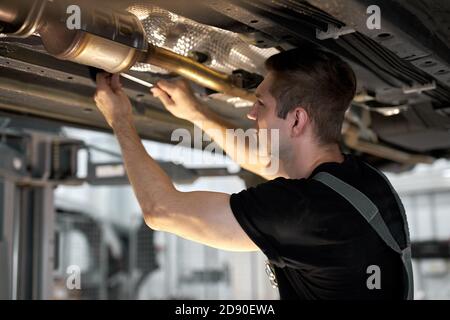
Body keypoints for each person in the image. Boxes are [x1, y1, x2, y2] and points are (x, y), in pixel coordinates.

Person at [94, 44, 413, 300]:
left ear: (297, 120)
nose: (251, 113)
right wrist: (195, 112)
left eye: (261, 103)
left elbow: (161, 211)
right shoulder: (362, 182)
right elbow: (262, 164)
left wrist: (120, 121)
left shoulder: (305, 211)